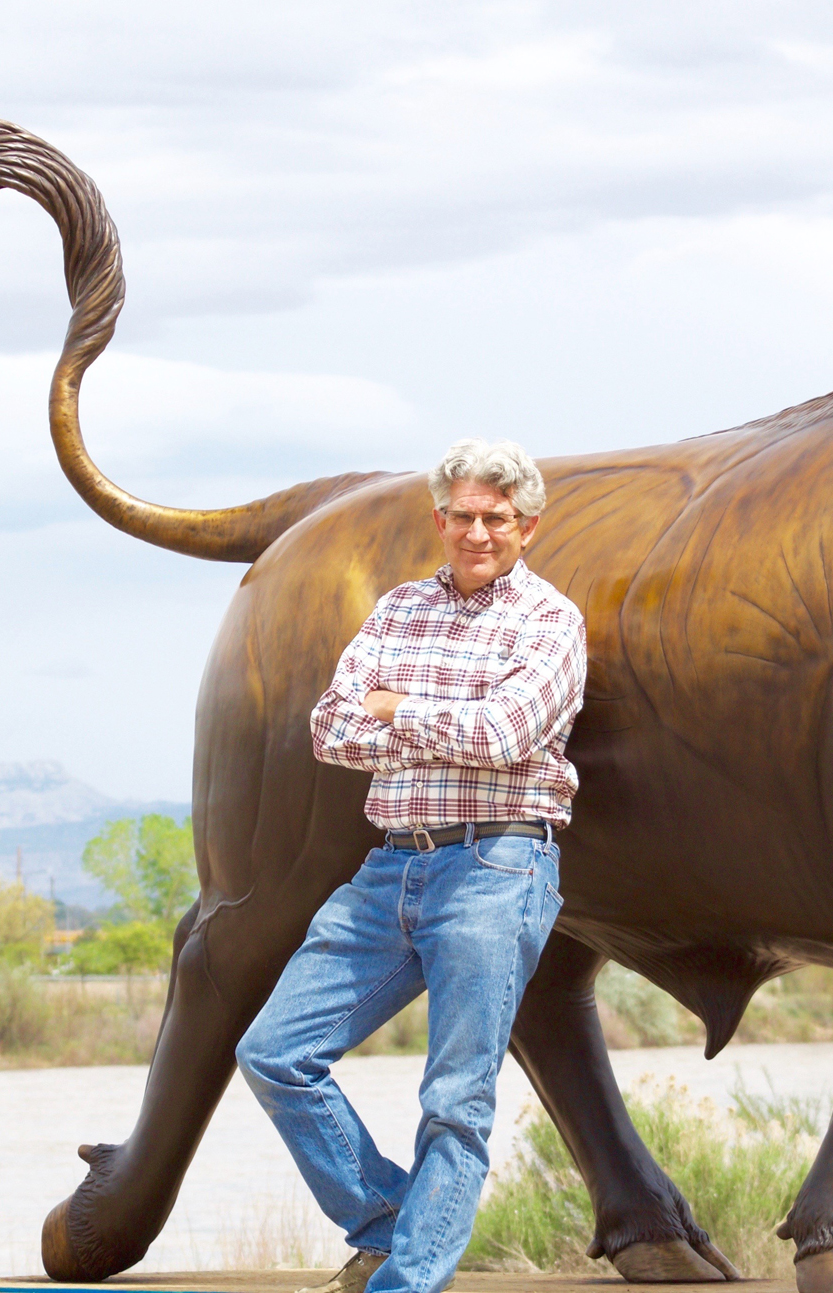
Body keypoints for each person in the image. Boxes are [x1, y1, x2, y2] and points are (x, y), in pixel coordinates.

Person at [236, 437, 586, 1293]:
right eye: (462, 515)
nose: (477, 531)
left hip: (498, 865)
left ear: (527, 526)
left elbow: (510, 736)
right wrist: (436, 715)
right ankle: (394, 1224)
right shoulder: (395, 611)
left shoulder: (549, 622)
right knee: (275, 1051)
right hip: (389, 869)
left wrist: (398, 708)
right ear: (439, 519)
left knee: (454, 1099)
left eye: (496, 518)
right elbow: (331, 729)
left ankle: (405, 1283)